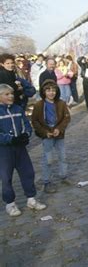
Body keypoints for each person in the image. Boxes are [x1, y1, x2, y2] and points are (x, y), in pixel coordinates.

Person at [0, 84, 47, 216]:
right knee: (6, 177)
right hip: (4, 151)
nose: (11, 96)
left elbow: (26, 124)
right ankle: (10, 204)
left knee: (28, 172)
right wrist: (10, 139)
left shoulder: (18, 108)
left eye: (12, 94)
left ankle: (31, 199)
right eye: (7, 94)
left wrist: (26, 134)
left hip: (20, 149)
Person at [31, 79, 71, 193]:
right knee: (48, 159)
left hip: (59, 135)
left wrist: (59, 129)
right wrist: (44, 132)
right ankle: (46, 181)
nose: (51, 93)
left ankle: (64, 176)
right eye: (48, 90)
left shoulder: (61, 103)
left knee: (63, 157)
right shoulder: (39, 105)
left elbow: (66, 118)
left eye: (53, 90)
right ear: (44, 92)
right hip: (47, 135)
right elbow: (35, 121)